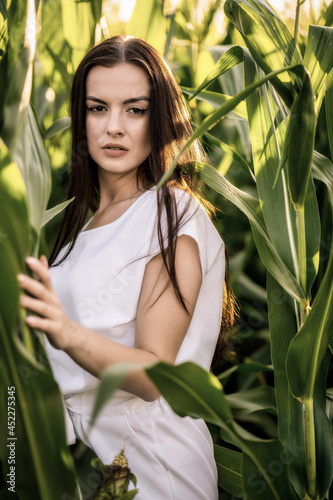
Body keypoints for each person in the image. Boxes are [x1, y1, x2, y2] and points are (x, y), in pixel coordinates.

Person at [18, 35, 234, 499]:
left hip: (152, 466)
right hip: (85, 467)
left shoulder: (172, 214)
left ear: (159, 122)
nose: (113, 126)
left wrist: (66, 331)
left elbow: (155, 375)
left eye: (134, 110)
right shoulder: (76, 231)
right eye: (98, 108)